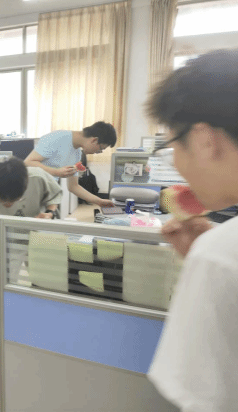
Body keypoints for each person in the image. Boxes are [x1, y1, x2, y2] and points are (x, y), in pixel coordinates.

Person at [145, 49, 238, 411]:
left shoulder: (219, 255)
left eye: (172, 147)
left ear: (203, 139)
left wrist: (208, 253)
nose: (178, 166)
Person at [0, 157, 63, 311]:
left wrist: (50, 212)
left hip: (39, 235)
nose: (8, 204)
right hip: (10, 244)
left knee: (47, 285)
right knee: (8, 290)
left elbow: (54, 195)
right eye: (3, 201)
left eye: (15, 200)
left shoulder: (37, 176)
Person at [24, 121, 116, 207]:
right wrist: (56, 172)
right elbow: (27, 162)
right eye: (101, 149)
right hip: (29, 191)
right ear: (94, 140)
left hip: (46, 193)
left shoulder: (77, 154)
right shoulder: (56, 137)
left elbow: (73, 187)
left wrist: (99, 201)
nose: (98, 152)